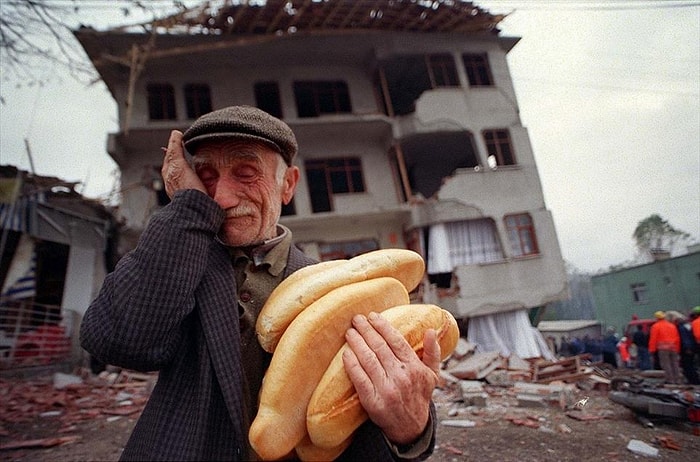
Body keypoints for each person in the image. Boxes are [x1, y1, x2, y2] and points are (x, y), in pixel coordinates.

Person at [80, 106, 440, 461]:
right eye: (206, 176)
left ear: (288, 185)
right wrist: (189, 208)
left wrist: (410, 430)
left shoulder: (339, 291)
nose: (221, 197)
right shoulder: (177, 266)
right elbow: (116, 340)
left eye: (246, 172)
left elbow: (356, 409)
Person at [648, 311, 682, 385]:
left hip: (663, 349)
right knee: (675, 364)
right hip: (673, 347)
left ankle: (670, 380)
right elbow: (677, 338)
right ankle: (677, 380)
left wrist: (652, 349)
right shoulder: (672, 325)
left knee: (666, 364)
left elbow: (653, 339)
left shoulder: (655, 326)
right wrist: (678, 348)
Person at [673, 311, 699, 385]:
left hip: (686, 349)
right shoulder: (687, 326)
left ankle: (693, 381)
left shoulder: (680, 328)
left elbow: (685, 339)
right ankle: (694, 380)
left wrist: (687, 348)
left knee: (688, 366)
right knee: (691, 365)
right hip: (691, 348)